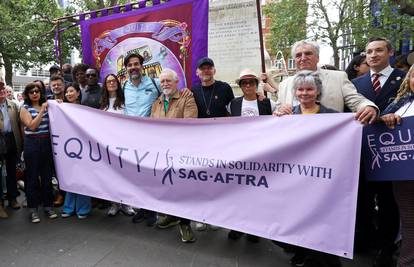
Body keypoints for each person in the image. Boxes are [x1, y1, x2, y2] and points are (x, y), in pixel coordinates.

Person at [276, 70, 341, 267]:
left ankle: (317, 257)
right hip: (294, 178)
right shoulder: (287, 115)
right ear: (295, 92)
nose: (305, 93)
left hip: (320, 179)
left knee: (316, 218)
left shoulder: (333, 116)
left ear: (317, 91)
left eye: (310, 89)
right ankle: (300, 251)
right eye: (301, 89)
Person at [352, 37, 406, 267]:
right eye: (369, 52)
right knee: (361, 199)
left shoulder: (404, 79)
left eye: (379, 50)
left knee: (388, 203)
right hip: (363, 152)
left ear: (390, 53)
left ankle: (386, 248)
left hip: (393, 153)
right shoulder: (356, 83)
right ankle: (364, 241)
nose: (373, 55)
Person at [276, 40, 378, 124]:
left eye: (308, 53)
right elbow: (277, 112)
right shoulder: (284, 84)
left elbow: (355, 99)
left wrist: (367, 106)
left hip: (328, 139)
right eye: (298, 55)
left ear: (317, 58)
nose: (303, 58)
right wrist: (280, 111)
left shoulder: (338, 77)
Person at [150, 69, 198, 243]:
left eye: (168, 81)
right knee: (167, 185)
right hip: (162, 152)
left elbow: (190, 124)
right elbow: (150, 128)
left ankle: (185, 223)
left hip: (181, 151)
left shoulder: (187, 98)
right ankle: (171, 216)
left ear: (176, 82)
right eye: (162, 81)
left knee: (182, 188)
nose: (164, 84)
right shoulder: (156, 103)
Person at [191, 57, 234, 231]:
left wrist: (259, 95)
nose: (206, 71)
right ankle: (201, 215)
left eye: (209, 68)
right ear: (197, 72)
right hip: (200, 142)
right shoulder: (192, 90)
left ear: (214, 70)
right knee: (201, 179)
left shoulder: (224, 88)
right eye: (203, 68)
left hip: (220, 141)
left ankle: (217, 216)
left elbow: (235, 108)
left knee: (218, 179)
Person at [379, 64, 414, 267]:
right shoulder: (401, 103)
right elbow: (378, 127)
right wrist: (386, 119)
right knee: (409, 223)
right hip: (403, 177)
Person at [123, 53, 160, 226]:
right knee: (136, 174)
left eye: (136, 64)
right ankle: (142, 209)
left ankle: (152, 211)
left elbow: (175, 92)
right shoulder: (124, 86)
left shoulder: (155, 83)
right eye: (130, 65)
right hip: (131, 138)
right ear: (126, 68)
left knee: (150, 174)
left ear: (142, 65)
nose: (133, 67)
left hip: (150, 137)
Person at [19, 82, 58, 223]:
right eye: (31, 92)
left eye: (37, 91)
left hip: (46, 143)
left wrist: (58, 103)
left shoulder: (47, 105)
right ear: (27, 95)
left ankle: (48, 206)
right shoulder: (24, 108)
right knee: (32, 178)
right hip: (32, 143)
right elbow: (32, 126)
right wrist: (42, 110)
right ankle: (33, 209)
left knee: (47, 177)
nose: (35, 93)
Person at [100, 74, 135, 217]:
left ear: (117, 83)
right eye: (108, 82)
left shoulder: (125, 100)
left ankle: (126, 203)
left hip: (124, 143)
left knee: (125, 174)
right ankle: (114, 204)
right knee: (111, 175)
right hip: (108, 144)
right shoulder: (102, 103)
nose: (111, 83)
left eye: (114, 81)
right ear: (105, 85)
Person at [60, 83, 91, 219]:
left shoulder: (85, 109)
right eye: (66, 92)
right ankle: (68, 207)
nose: (68, 94)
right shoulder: (61, 108)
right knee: (70, 176)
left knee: (84, 177)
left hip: (83, 146)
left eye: (71, 91)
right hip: (67, 148)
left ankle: (83, 209)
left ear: (78, 93)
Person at [0, 78, 22, 218]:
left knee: (12, 171)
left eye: (2, 89)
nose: (1, 92)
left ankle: (12, 198)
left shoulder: (13, 105)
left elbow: (20, 125)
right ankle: (0, 203)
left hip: (11, 140)